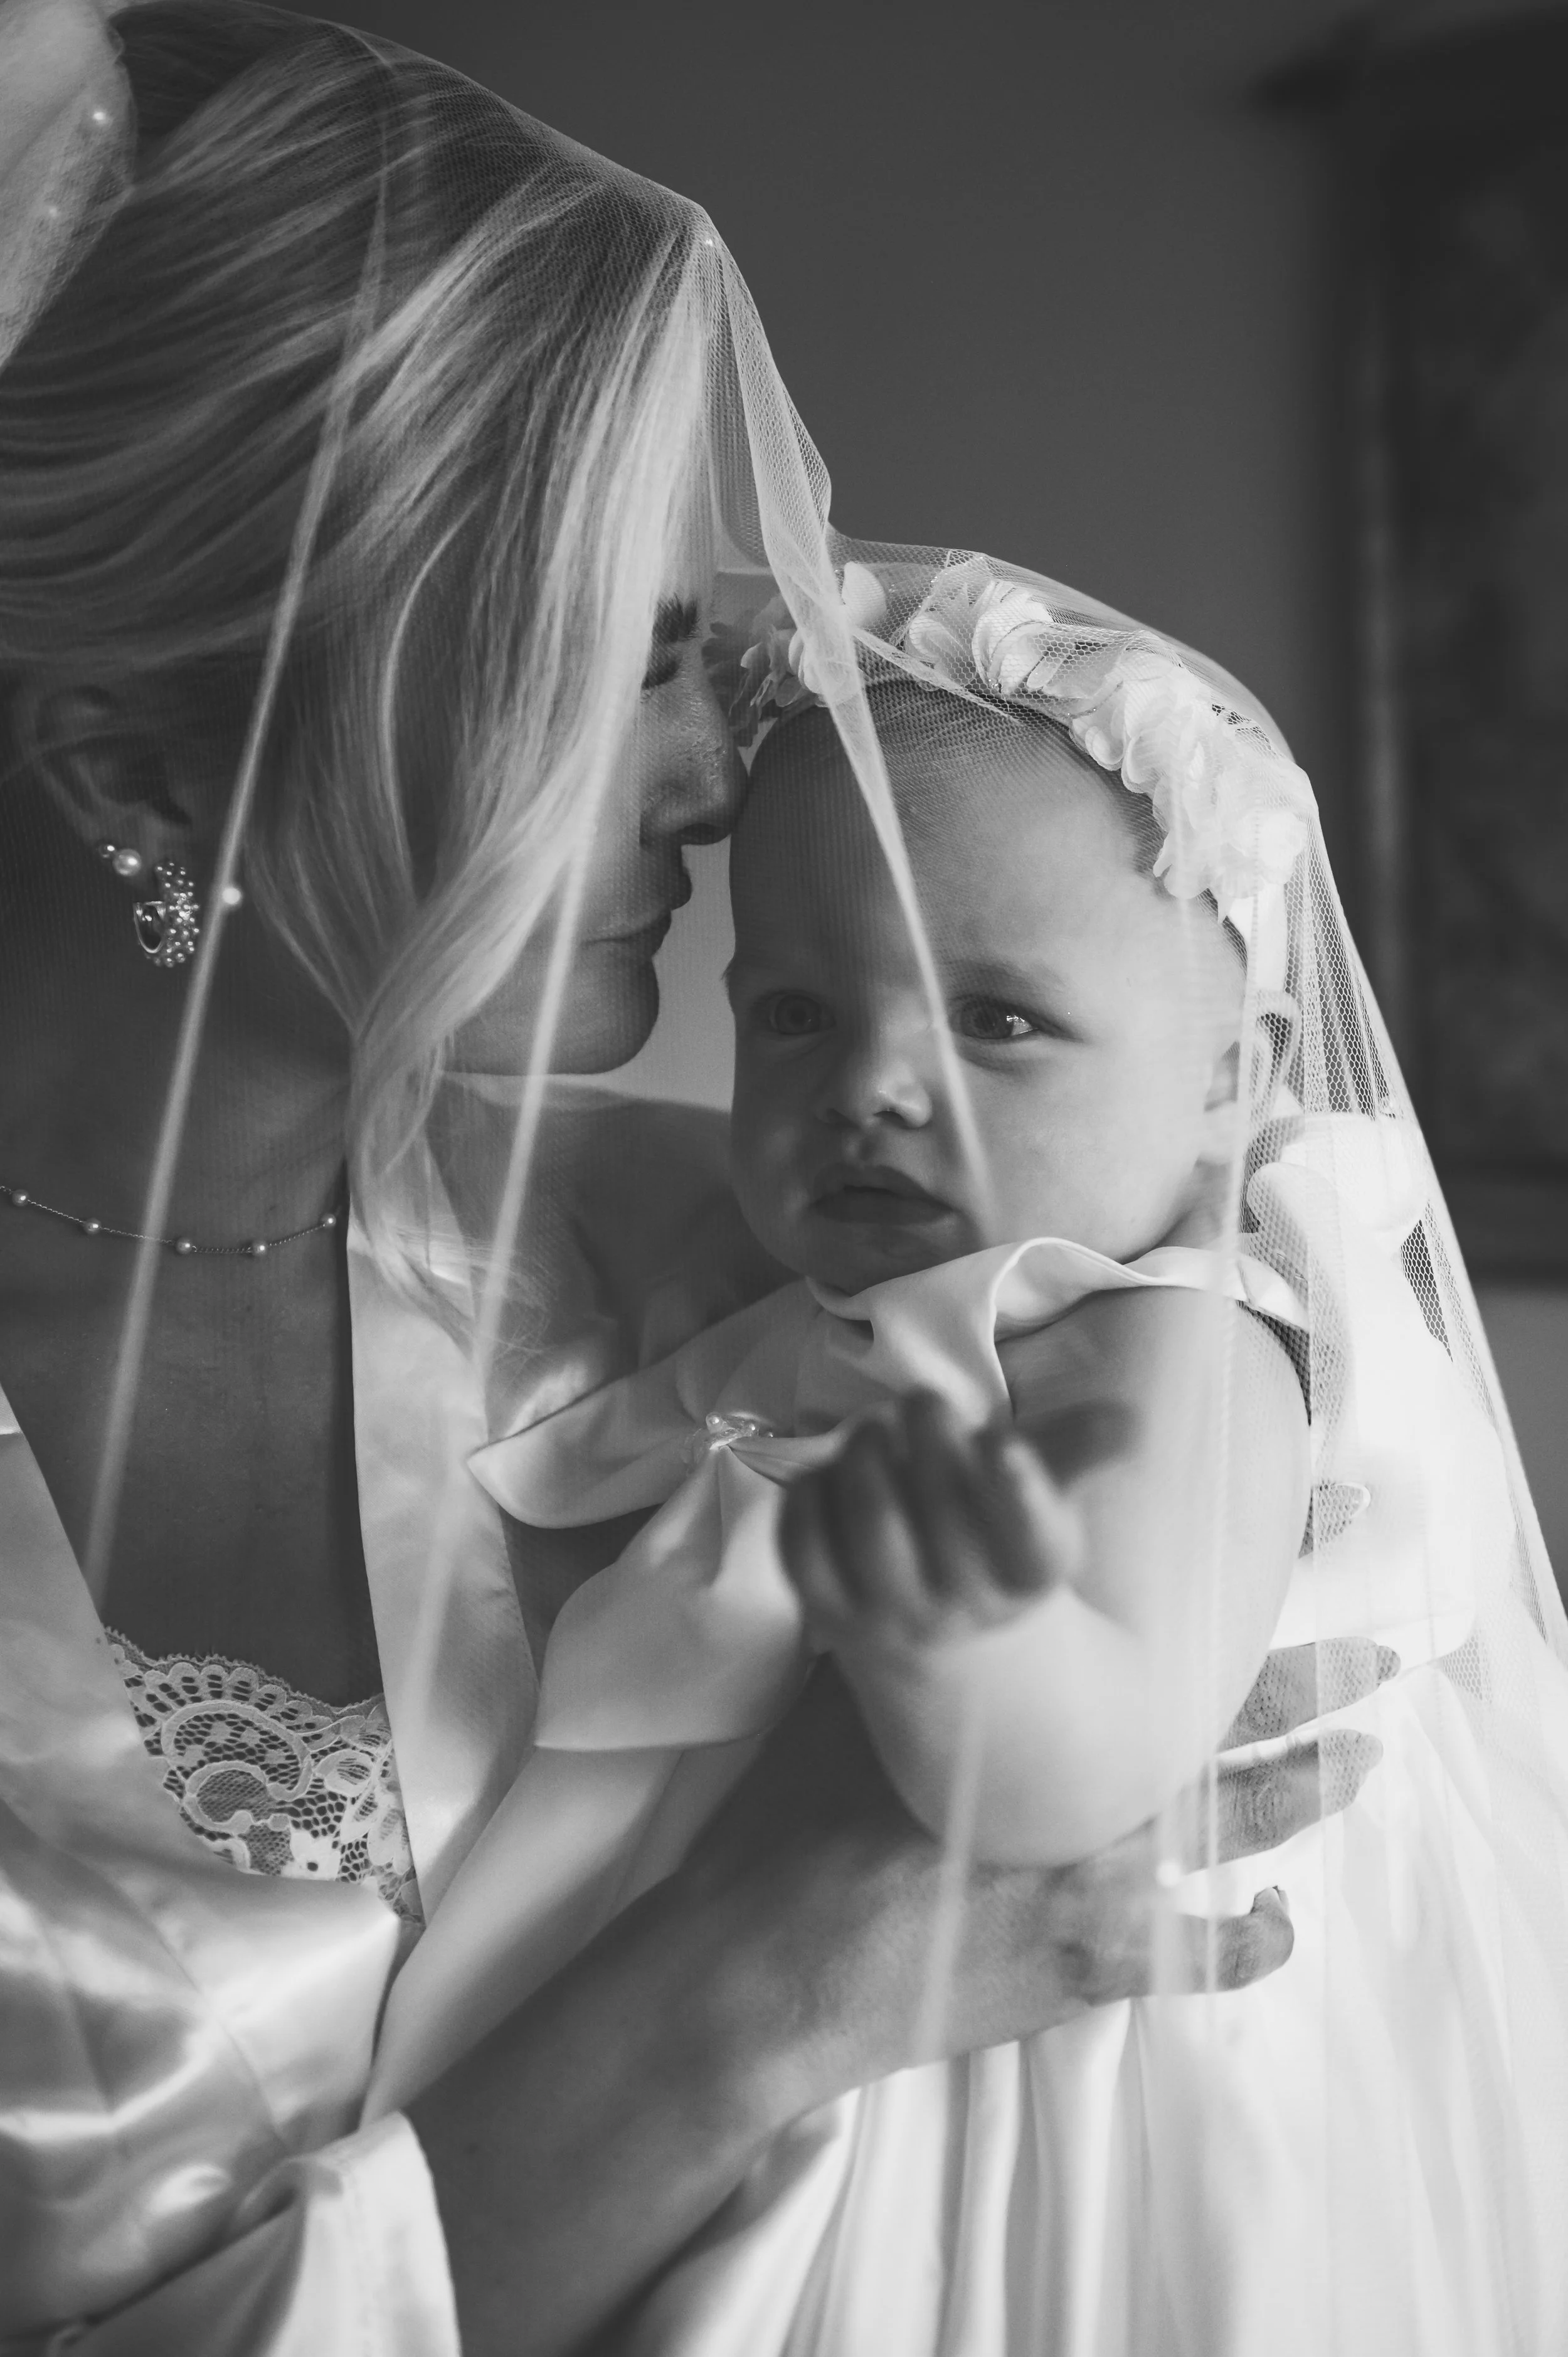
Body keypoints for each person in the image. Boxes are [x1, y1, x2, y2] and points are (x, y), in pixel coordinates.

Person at [0, 6, 1388, 2352]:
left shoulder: (782, 1267)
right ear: (139, 770)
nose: (720, 783)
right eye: (610, 664)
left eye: (703, 662)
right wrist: (761, 1991)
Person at [467, 556, 1568, 2353]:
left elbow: (1082, 1768)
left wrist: (953, 1618)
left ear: (1230, 1080)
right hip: (833, 2035)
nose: (871, 1086)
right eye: (795, 1012)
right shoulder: (824, 1309)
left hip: (1071, 2106)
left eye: (997, 1019)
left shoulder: (1184, 1344)